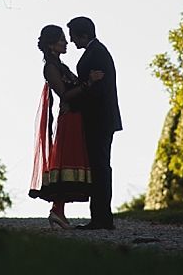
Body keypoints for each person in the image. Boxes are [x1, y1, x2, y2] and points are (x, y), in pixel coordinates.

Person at [29, 24, 104, 229]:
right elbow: (64, 94)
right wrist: (89, 82)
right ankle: (56, 210)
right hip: (69, 119)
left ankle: (58, 211)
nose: (66, 43)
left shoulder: (59, 65)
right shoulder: (51, 68)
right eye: (62, 40)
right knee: (66, 160)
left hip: (75, 116)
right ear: (52, 44)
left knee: (70, 160)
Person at [67, 16, 122, 230]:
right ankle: (100, 217)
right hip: (100, 118)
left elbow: (99, 90)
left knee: (100, 167)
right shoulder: (95, 52)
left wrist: (79, 96)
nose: (71, 41)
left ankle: (102, 218)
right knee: (99, 167)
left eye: (73, 36)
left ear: (83, 34)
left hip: (99, 119)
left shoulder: (96, 54)